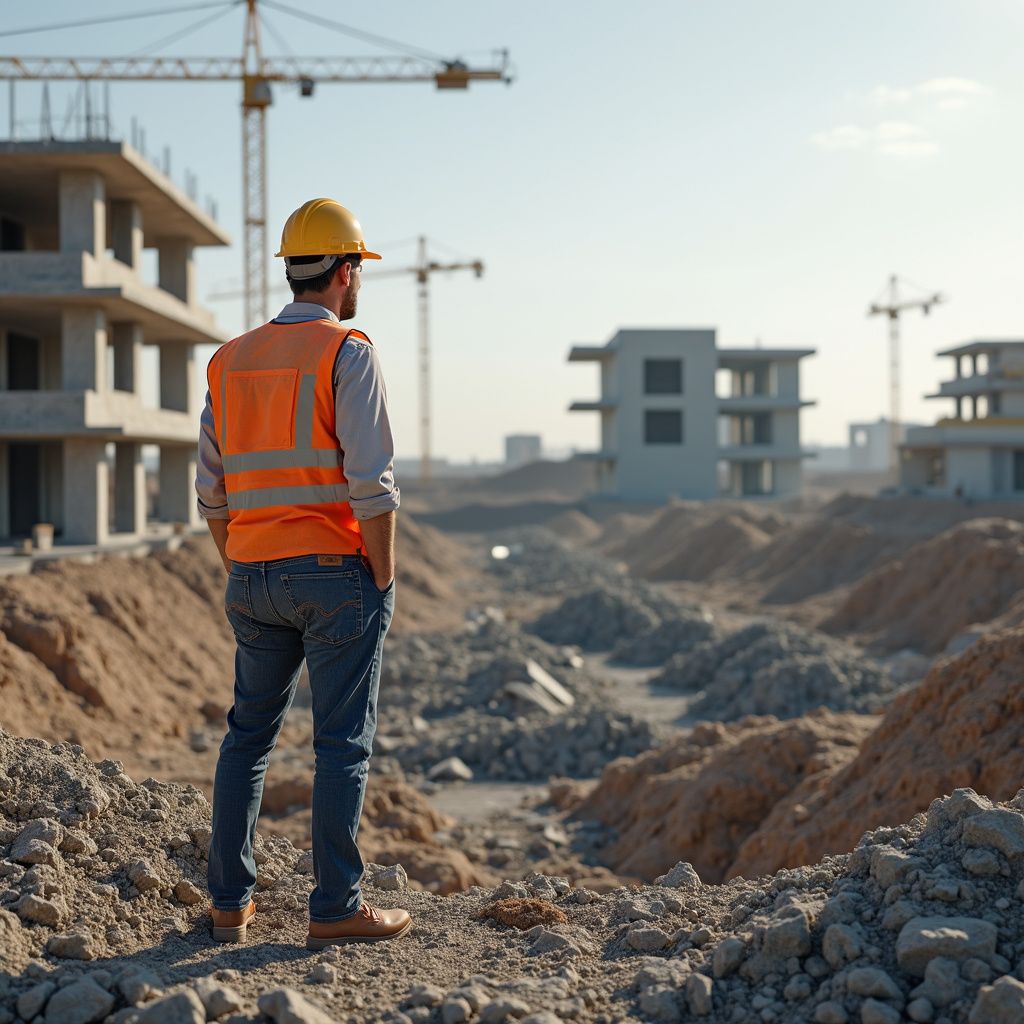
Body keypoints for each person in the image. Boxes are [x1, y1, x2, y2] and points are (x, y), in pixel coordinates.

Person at [194, 198, 411, 948]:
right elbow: (372, 487)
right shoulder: (347, 350)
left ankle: (229, 905)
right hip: (333, 574)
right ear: (346, 271)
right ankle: (336, 907)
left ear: (292, 267)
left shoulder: (227, 361)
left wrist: (244, 563)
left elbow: (210, 494)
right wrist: (381, 578)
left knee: (246, 738)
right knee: (341, 743)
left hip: (251, 572)